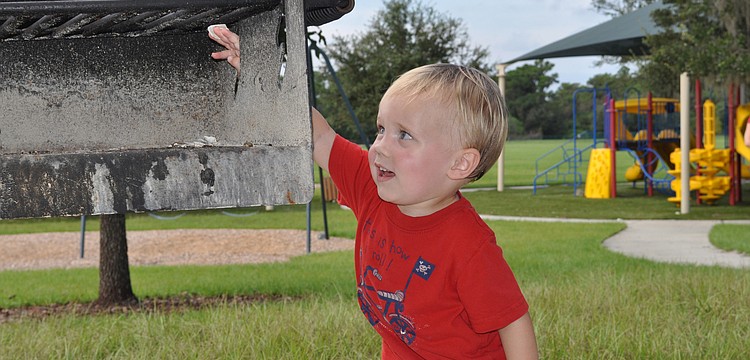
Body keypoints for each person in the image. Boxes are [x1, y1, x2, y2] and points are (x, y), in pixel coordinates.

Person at [209, 26, 538, 359]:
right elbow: (319, 137)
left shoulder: (469, 245)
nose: (380, 146)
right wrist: (260, 76)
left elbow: (512, 322)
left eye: (404, 135)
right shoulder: (371, 186)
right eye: (382, 129)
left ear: (459, 164)